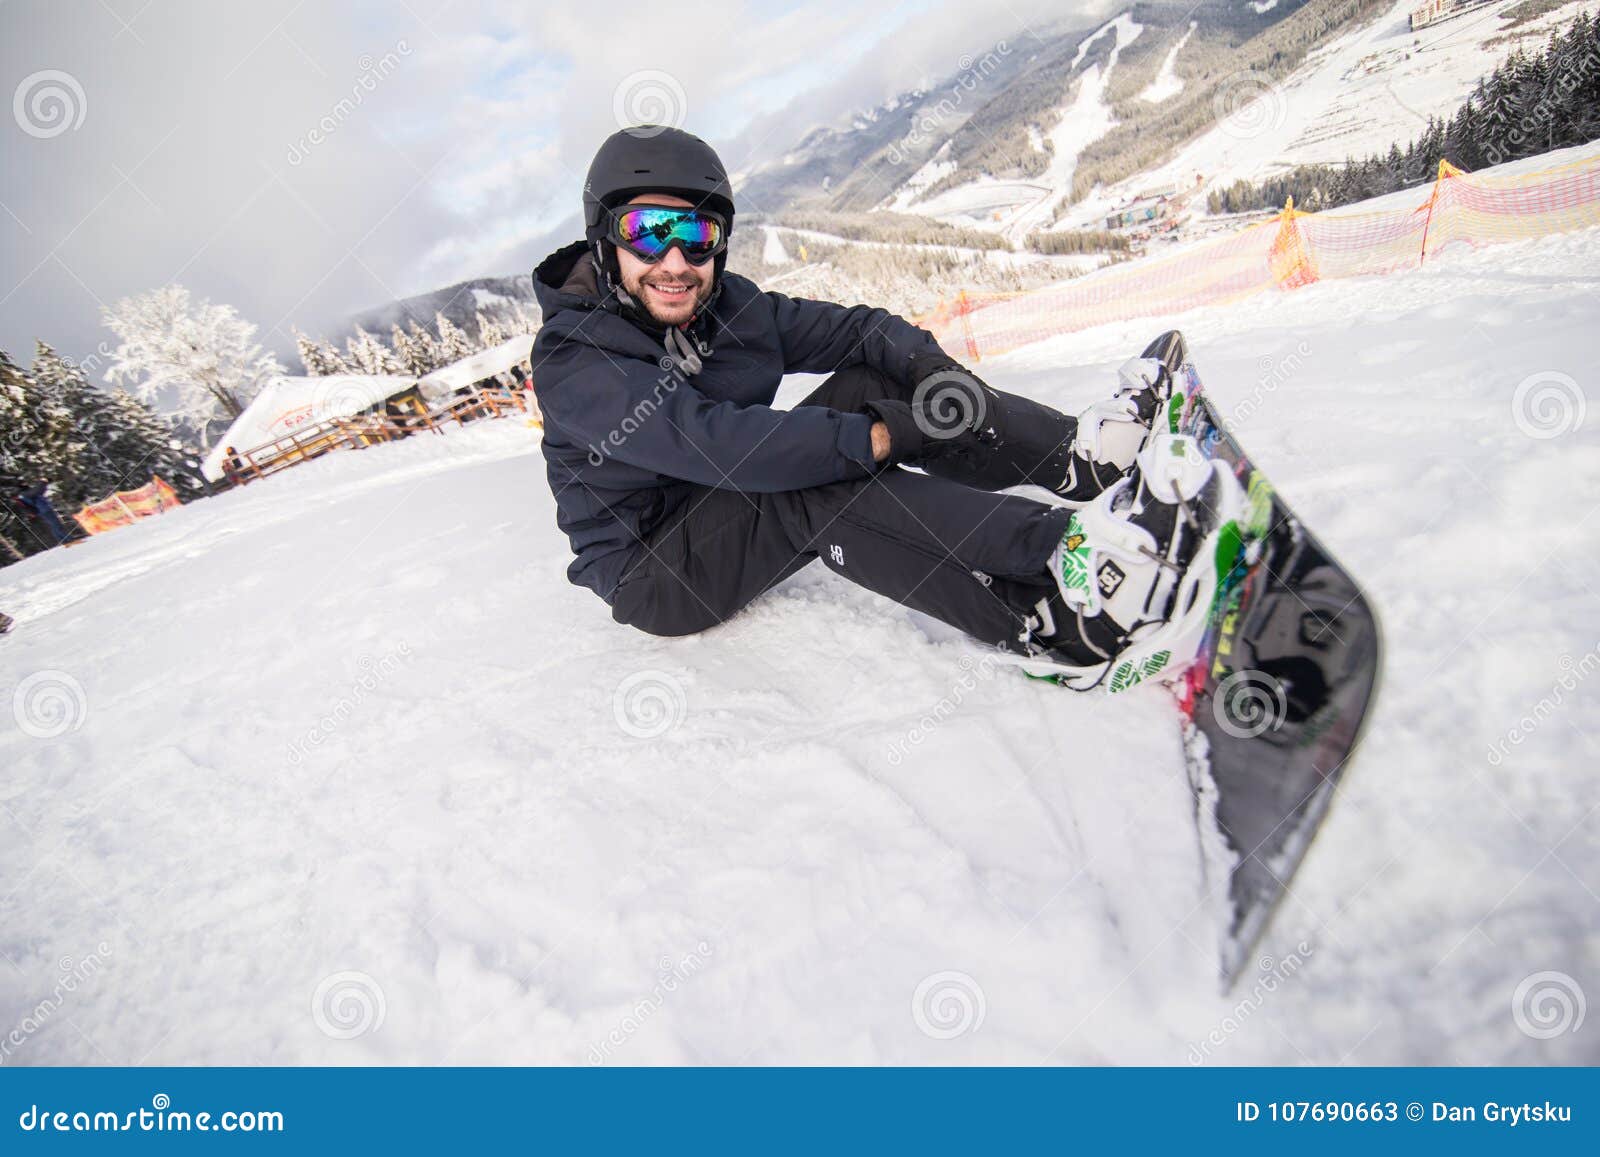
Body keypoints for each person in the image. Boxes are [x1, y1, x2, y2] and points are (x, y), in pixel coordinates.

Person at [529, 126, 1241, 689]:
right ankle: (1064, 592)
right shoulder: (575, 360)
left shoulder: (726, 306)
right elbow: (717, 444)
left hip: (722, 501)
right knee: (807, 482)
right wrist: (876, 437)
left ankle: (1083, 460)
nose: (676, 262)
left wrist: (934, 375)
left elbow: (862, 331)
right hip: (657, 570)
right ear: (607, 237)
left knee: (878, 376)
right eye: (649, 232)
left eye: (698, 235)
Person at [14, 480, 68, 546]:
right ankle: (67, 539)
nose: (26, 483)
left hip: (43, 509)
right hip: (43, 510)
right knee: (56, 524)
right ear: (20, 485)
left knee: (54, 524)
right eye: (23, 483)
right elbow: (36, 491)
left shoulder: (26, 492)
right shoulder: (25, 493)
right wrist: (42, 482)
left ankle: (63, 540)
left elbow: (39, 491)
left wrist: (44, 484)